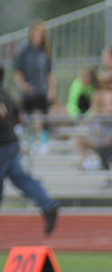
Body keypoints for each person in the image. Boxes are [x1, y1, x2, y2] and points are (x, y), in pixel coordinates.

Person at [0, 64, 58, 234]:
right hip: (10, 143)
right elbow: (19, 119)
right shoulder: (6, 94)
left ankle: (48, 205)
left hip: (2, 146)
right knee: (21, 178)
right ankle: (47, 205)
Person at [13, 21, 56, 146]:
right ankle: (33, 140)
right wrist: (23, 85)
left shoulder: (45, 51)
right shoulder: (24, 51)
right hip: (30, 91)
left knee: (40, 115)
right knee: (31, 116)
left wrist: (52, 89)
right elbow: (17, 70)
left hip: (42, 90)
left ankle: (41, 140)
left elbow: (49, 72)